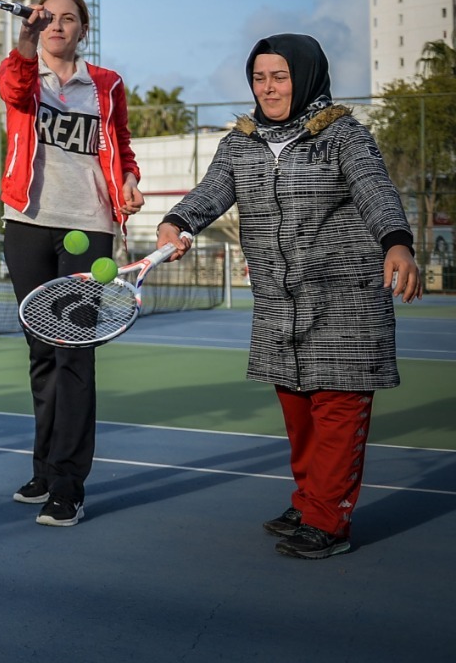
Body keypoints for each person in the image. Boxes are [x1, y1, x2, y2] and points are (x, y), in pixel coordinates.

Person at [157, 34, 421, 559]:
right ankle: (309, 501)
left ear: (305, 77)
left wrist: (397, 242)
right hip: (280, 304)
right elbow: (212, 190)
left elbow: (374, 189)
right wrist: (176, 222)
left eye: (280, 76)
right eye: (260, 78)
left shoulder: (343, 136)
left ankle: (329, 520)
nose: (269, 88)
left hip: (346, 299)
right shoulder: (241, 142)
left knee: (337, 410)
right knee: (298, 411)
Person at [0, 0, 143, 527]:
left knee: (74, 354)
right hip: (27, 224)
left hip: (90, 227)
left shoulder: (107, 85)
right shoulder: (24, 76)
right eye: (47, 18)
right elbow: (13, 84)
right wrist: (26, 38)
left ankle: (68, 482)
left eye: (68, 19)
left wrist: (128, 179)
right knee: (41, 350)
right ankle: (43, 467)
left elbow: (120, 143)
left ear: (83, 28)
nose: (57, 25)